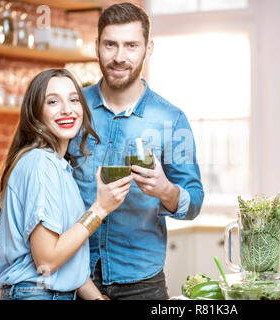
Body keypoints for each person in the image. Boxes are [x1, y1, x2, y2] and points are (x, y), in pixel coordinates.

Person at [68, 3, 204, 300]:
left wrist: (165, 189)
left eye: (131, 45)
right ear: (97, 47)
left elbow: (194, 200)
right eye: (110, 45)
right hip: (72, 276)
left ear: (148, 48)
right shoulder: (73, 108)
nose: (119, 56)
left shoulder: (172, 119)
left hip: (143, 285)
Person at [0, 69, 132, 300]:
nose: (67, 109)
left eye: (74, 99)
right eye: (53, 101)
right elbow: (47, 259)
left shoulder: (58, 166)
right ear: (35, 113)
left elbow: (68, 264)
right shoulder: (40, 163)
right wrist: (100, 208)